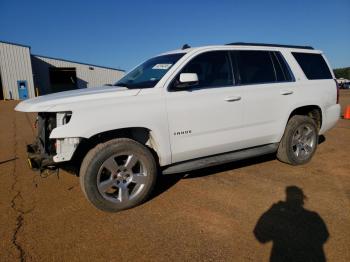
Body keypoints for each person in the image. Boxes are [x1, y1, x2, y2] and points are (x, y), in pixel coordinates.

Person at [254, 186, 329, 262]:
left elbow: (260, 235)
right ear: (302, 200)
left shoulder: (279, 218)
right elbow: (324, 236)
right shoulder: (313, 217)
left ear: (286, 200)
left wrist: (272, 211)